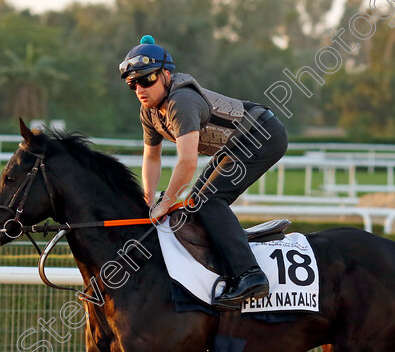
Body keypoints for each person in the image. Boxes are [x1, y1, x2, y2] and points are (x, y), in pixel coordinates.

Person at [119, 35, 288, 310]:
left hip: (262, 135)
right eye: (133, 84)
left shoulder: (180, 102)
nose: (140, 88)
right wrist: (148, 201)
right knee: (194, 202)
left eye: (147, 80)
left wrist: (165, 201)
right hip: (238, 144)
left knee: (207, 200)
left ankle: (251, 276)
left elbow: (187, 163)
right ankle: (227, 260)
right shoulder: (149, 111)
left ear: (165, 75)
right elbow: (152, 156)